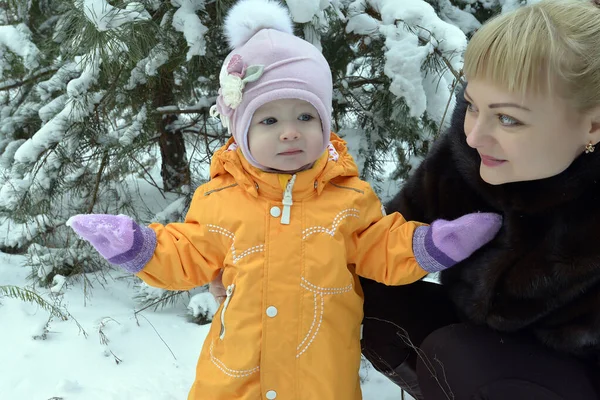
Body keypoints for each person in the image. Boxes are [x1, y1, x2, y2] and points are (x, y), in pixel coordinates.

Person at [67, 1, 501, 399]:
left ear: (325, 121)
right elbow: (186, 253)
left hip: (321, 381)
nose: (290, 131)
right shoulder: (219, 198)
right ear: (241, 130)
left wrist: (436, 244)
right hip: (234, 380)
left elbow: (382, 246)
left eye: (305, 116)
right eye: (270, 119)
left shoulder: (349, 197)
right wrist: (136, 245)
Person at [357, 0, 600, 399]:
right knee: (359, 290)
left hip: (576, 376)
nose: (475, 136)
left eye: (508, 118)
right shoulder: (466, 159)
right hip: (479, 350)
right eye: (472, 106)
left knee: (460, 358)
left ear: (592, 125)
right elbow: (377, 239)